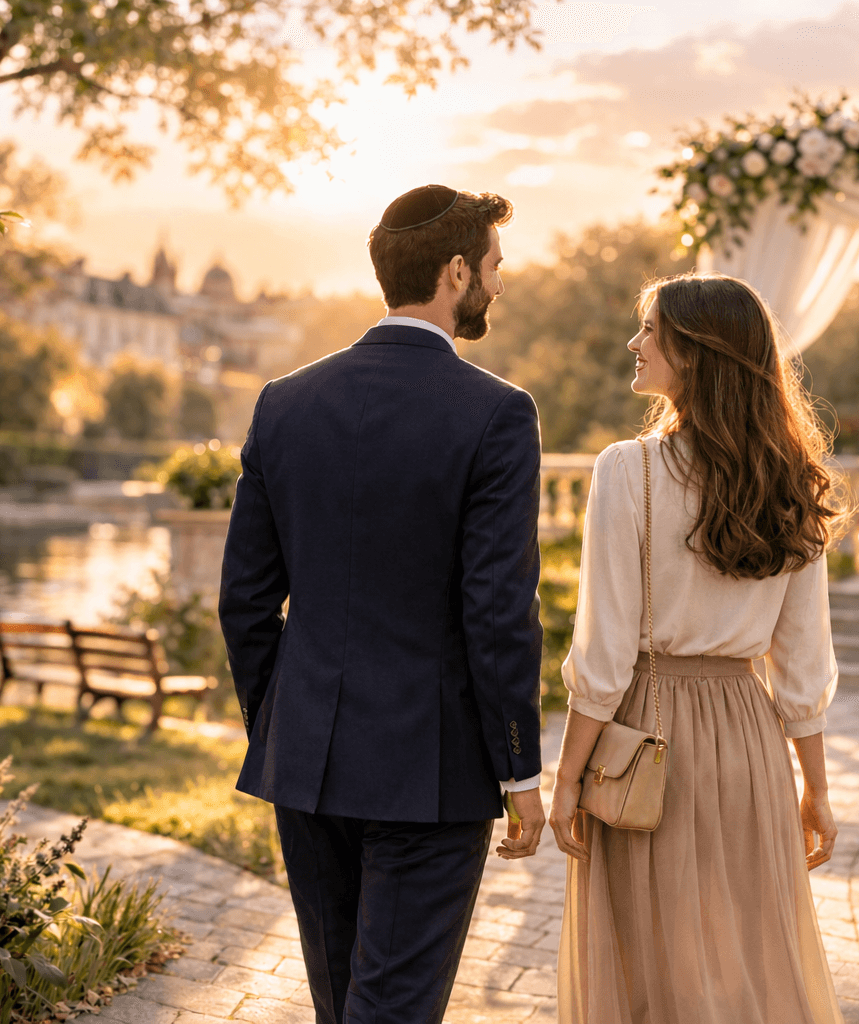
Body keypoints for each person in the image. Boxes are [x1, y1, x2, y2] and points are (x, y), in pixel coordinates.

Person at [219, 184, 549, 1024]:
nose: (498, 284)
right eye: (493, 267)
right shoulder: (498, 415)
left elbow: (245, 600)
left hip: (307, 763)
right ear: (453, 270)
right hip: (429, 771)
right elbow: (498, 611)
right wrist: (520, 768)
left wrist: (279, 721)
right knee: (393, 1010)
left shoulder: (283, 401)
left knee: (343, 1004)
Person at [550, 272, 848, 1024]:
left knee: (651, 963)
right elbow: (803, 660)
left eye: (649, 328)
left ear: (695, 349)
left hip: (647, 734)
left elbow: (606, 650)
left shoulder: (630, 470)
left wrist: (567, 777)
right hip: (750, 740)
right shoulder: (792, 481)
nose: (634, 342)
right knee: (744, 952)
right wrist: (815, 789)